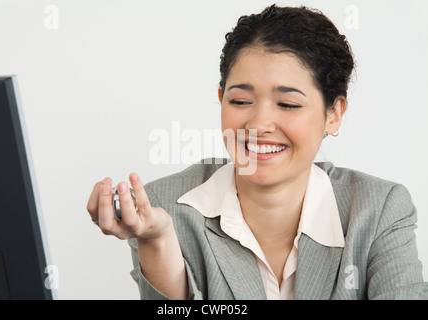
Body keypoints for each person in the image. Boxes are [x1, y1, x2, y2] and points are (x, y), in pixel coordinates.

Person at [86, 4, 427, 299]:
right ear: (221, 100)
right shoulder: (163, 209)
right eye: (241, 101)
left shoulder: (380, 210)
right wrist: (156, 240)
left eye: (288, 104)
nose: (259, 123)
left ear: (334, 113)